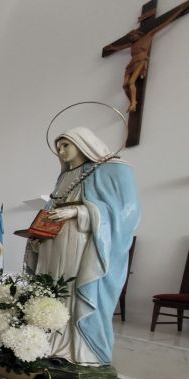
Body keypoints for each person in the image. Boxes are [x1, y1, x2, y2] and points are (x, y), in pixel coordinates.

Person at [24, 127, 140, 365]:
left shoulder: (109, 169)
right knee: (52, 290)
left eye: (66, 145)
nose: (61, 150)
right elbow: (51, 209)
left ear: (83, 143)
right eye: (59, 147)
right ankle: (50, 343)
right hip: (53, 245)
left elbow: (126, 213)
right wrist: (37, 235)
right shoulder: (64, 176)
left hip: (79, 244)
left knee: (72, 292)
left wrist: (79, 211)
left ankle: (79, 350)